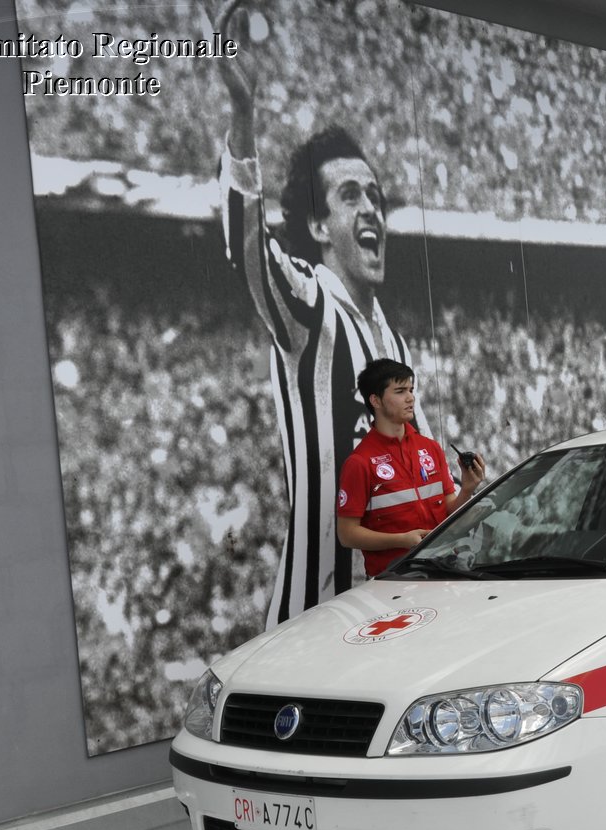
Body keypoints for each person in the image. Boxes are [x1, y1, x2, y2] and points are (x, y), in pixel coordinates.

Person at [216, 31, 429, 625]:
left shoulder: (394, 342)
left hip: (392, 608)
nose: (371, 211)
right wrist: (244, 114)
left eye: (377, 199)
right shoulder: (312, 306)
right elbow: (247, 245)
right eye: (350, 195)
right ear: (315, 224)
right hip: (317, 618)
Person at [337, 359, 485, 577]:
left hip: (444, 569)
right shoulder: (359, 462)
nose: (410, 398)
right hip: (392, 580)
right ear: (375, 400)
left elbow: (448, 510)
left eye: (411, 389)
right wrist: (401, 540)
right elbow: (347, 534)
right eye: (400, 391)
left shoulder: (430, 448)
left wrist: (467, 489)